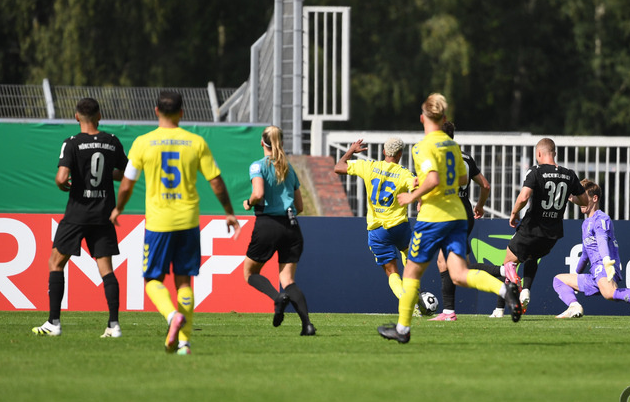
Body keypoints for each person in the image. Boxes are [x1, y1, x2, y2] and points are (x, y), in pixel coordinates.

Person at [378, 93, 522, 344]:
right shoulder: (453, 147)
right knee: (459, 273)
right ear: (443, 118)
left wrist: (413, 196)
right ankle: (505, 289)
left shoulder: (422, 147)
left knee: (411, 272)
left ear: (422, 118)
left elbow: (432, 178)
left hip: (433, 217)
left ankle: (402, 330)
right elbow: (464, 179)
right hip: (458, 214)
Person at [110, 91, 241, 354]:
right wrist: (229, 212)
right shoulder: (195, 142)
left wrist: (118, 209)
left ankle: (172, 316)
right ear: (182, 112)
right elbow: (215, 181)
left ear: (156, 110)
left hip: (159, 223)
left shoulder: (143, 143)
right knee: (184, 282)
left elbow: (126, 183)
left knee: (152, 280)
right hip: (188, 221)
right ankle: (184, 343)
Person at [34, 97, 128, 337]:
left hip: (77, 213)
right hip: (104, 213)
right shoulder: (112, 141)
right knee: (106, 268)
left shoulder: (72, 143)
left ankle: (54, 322)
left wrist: (62, 183)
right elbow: (124, 173)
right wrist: (107, 174)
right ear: (99, 116)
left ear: (76, 117)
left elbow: (61, 177)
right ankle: (114, 325)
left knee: (56, 263)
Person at [480, 137, 589, 318]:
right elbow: (584, 200)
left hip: (531, 228)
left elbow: (524, 197)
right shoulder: (569, 174)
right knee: (532, 258)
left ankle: (499, 310)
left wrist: (514, 214)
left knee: (508, 264)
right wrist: (569, 197)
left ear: (539, 153)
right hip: (552, 234)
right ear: (555, 153)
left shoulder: (536, 171)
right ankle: (526, 291)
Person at [552, 179, 630, 319]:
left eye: (583, 196)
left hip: (603, 266)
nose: (580, 201)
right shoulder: (585, 224)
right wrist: (576, 274)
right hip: (594, 272)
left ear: (594, 198)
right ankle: (574, 306)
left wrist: (606, 261)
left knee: (610, 294)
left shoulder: (601, 218)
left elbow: (602, 240)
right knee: (559, 280)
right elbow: (585, 254)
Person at [243, 125, 316, 336]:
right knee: (289, 281)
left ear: (261, 142)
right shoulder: (289, 168)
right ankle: (307, 325)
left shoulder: (257, 166)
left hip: (267, 224)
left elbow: (258, 193)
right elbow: (300, 206)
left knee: (250, 273)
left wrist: (249, 202)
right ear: (281, 143)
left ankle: (277, 298)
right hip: (291, 226)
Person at [333, 136, 415, 302]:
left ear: (384, 151)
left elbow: (338, 167)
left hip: (378, 230)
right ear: (400, 154)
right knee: (410, 256)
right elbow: (418, 186)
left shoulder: (369, 166)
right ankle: (415, 290)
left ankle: (408, 303)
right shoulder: (404, 173)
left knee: (392, 272)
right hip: (399, 226)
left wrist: (350, 150)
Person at [431, 120, 490, 321]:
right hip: (465, 212)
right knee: (451, 263)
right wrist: (480, 206)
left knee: (452, 265)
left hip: (449, 213)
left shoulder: (440, 155)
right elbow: (486, 186)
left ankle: (449, 311)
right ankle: (448, 310)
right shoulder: (465, 157)